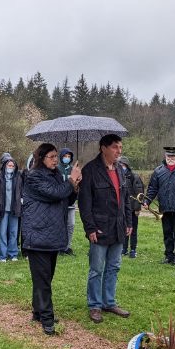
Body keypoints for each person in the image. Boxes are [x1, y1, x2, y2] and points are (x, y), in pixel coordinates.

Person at [21, 143, 81, 335]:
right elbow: (54, 194)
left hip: (52, 234)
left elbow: (65, 200)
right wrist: (69, 182)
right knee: (43, 280)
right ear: (41, 158)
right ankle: (47, 319)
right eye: (52, 156)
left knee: (44, 277)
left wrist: (75, 186)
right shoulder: (33, 177)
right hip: (37, 235)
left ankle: (38, 311)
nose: (56, 159)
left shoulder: (56, 175)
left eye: (56, 156)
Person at [79, 134, 133, 323]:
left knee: (114, 267)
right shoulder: (90, 170)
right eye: (115, 147)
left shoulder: (120, 169)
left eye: (120, 147)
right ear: (103, 148)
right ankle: (95, 305)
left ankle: (109, 302)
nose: (119, 151)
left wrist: (128, 222)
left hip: (118, 227)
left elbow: (125, 197)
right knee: (96, 269)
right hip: (100, 228)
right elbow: (84, 203)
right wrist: (90, 228)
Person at [144, 146, 175, 265]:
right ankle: (168, 256)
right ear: (165, 156)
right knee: (167, 233)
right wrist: (147, 201)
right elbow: (152, 188)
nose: (170, 158)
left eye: (173, 156)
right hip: (164, 208)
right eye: (168, 156)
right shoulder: (158, 170)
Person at [0, 156, 22, 262]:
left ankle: (13, 254)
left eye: (13, 166)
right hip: (2, 210)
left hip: (14, 209)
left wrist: (21, 202)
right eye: (9, 165)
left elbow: (22, 192)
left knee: (14, 232)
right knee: (2, 233)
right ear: (4, 166)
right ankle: (2, 255)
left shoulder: (18, 177)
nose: (11, 167)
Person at [118, 156, 144, 258]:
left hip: (133, 208)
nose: (121, 167)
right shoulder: (118, 176)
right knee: (124, 229)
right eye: (120, 165)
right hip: (122, 209)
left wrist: (137, 208)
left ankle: (133, 249)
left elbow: (140, 194)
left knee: (133, 229)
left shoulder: (134, 177)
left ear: (127, 166)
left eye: (123, 165)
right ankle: (124, 248)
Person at [57, 148, 77, 255]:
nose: (67, 158)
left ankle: (67, 246)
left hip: (71, 202)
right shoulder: (56, 169)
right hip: (60, 202)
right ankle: (59, 246)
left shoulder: (73, 169)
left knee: (71, 224)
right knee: (61, 225)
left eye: (69, 157)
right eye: (65, 156)